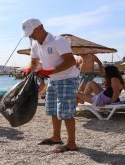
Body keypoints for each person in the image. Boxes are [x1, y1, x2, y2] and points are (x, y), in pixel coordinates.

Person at [21, 18, 80, 153]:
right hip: (53, 80)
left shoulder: (58, 41)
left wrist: (50, 71)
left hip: (67, 78)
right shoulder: (35, 44)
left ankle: (71, 143)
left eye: (32, 32)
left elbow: (70, 61)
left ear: (40, 27)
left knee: (65, 111)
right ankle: (56, 137)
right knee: (53, 109)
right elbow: (34, 62)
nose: (30, 36)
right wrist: (29, 69)